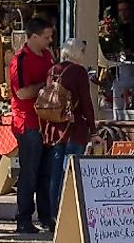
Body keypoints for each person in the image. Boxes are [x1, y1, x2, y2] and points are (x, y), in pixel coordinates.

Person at [39, 37, 100, 222]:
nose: (83, 55)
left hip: (56, 129)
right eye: (82, 52)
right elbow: (86, 103)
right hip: (75, 129)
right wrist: (93, 129)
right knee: (72, 173)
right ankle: (68, 213)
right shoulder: (79, 72)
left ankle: (53, 213)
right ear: (76, 53)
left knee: (55, 173)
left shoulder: (52, 71)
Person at [7, 23, 57, 235]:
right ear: (33, 36)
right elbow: (22, 93)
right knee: (29, 173)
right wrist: (45, 85)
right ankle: (24, 218)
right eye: (46, 37)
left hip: (46, 121)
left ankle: (46, 217)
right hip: (27, 122)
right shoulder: (20, 60)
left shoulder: (47, 55)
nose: (49, 41)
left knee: (45, 173)